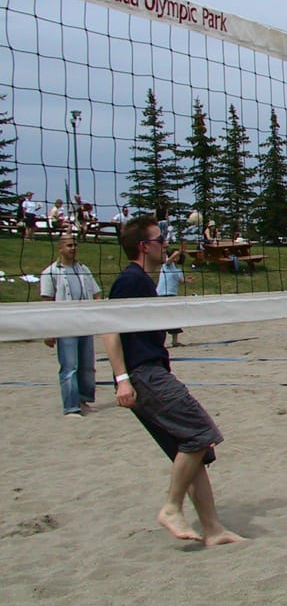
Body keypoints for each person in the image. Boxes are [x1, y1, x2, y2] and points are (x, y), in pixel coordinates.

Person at [102, 216, 244, 546]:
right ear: (143, 246)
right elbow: (108, 327)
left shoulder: (145, 282)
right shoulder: (131, 281)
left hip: (151, 372)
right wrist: (122, 379)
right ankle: (171, 506)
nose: (165, 243)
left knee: (194, 450)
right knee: (199, 433)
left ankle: (213, 529)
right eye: (159, 239)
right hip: (144, 375)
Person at [40, 234, 102, 416]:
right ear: (60, 248)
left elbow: (97, 293)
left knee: (87, 366)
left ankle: (83, 401)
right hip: (65, 324)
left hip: (85, 323)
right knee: (69, 366)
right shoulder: (51, 272)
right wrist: (48, 330)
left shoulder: (83, 269)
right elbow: (46, 303)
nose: (73, 248)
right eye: (69, 245)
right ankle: (71, 407)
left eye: (75, 245)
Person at [157, 248, 193, 347]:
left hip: (172, 294)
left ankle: (175, 341)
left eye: (178, 256)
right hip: (162, 294)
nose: (176, 257)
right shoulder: (167, 265)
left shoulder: (178, 270)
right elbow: (170, 259)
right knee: (162, 318)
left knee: (174, 317)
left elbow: (181, 280)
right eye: (175, 255)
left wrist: (187, 280)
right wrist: (179, 251)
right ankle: (159, 342)